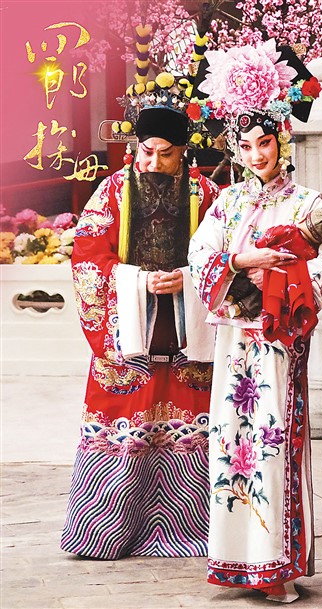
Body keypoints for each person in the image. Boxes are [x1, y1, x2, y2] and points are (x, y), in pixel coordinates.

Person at [188, 40, 322, 602]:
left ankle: (276, 567)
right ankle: (235, 563)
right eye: (246, 144)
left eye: (265, 142)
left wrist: (279, 287)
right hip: (234, 344)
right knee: (230, 445)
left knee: (272, 445)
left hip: (279, 342)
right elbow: (200, 257)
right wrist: (242, 263)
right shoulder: (227, 203)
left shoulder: (308, 204)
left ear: (282, 141)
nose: (256, 154)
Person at [60, 69, 220, 560]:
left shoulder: (207, 196)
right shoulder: (111, 191)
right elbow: (89, 256)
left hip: (188, 336)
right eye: (145, 151)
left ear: (183, 152)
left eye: (164, 153)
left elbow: (224, 255)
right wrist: (136, 282)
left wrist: (190, 278)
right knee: (124, 418)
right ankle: (104, 534)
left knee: (192, 421)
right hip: (129, 335)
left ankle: (193, 530)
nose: (152, 161)